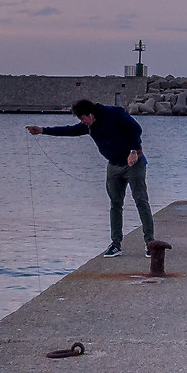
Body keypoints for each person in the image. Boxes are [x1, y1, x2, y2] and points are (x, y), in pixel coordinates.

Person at [27, 99, 154, 257]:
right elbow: (70, 130)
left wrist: (134, 150)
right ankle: (116, 244)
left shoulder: (114, 113)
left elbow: (135, 128)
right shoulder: (89, 125)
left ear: (90, 114)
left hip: (133, 163)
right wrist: (42, 130)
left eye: (83, 118)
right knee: (115, 204)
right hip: (113, 166)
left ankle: (150, 243)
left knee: (141, 201)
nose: (82, 122)